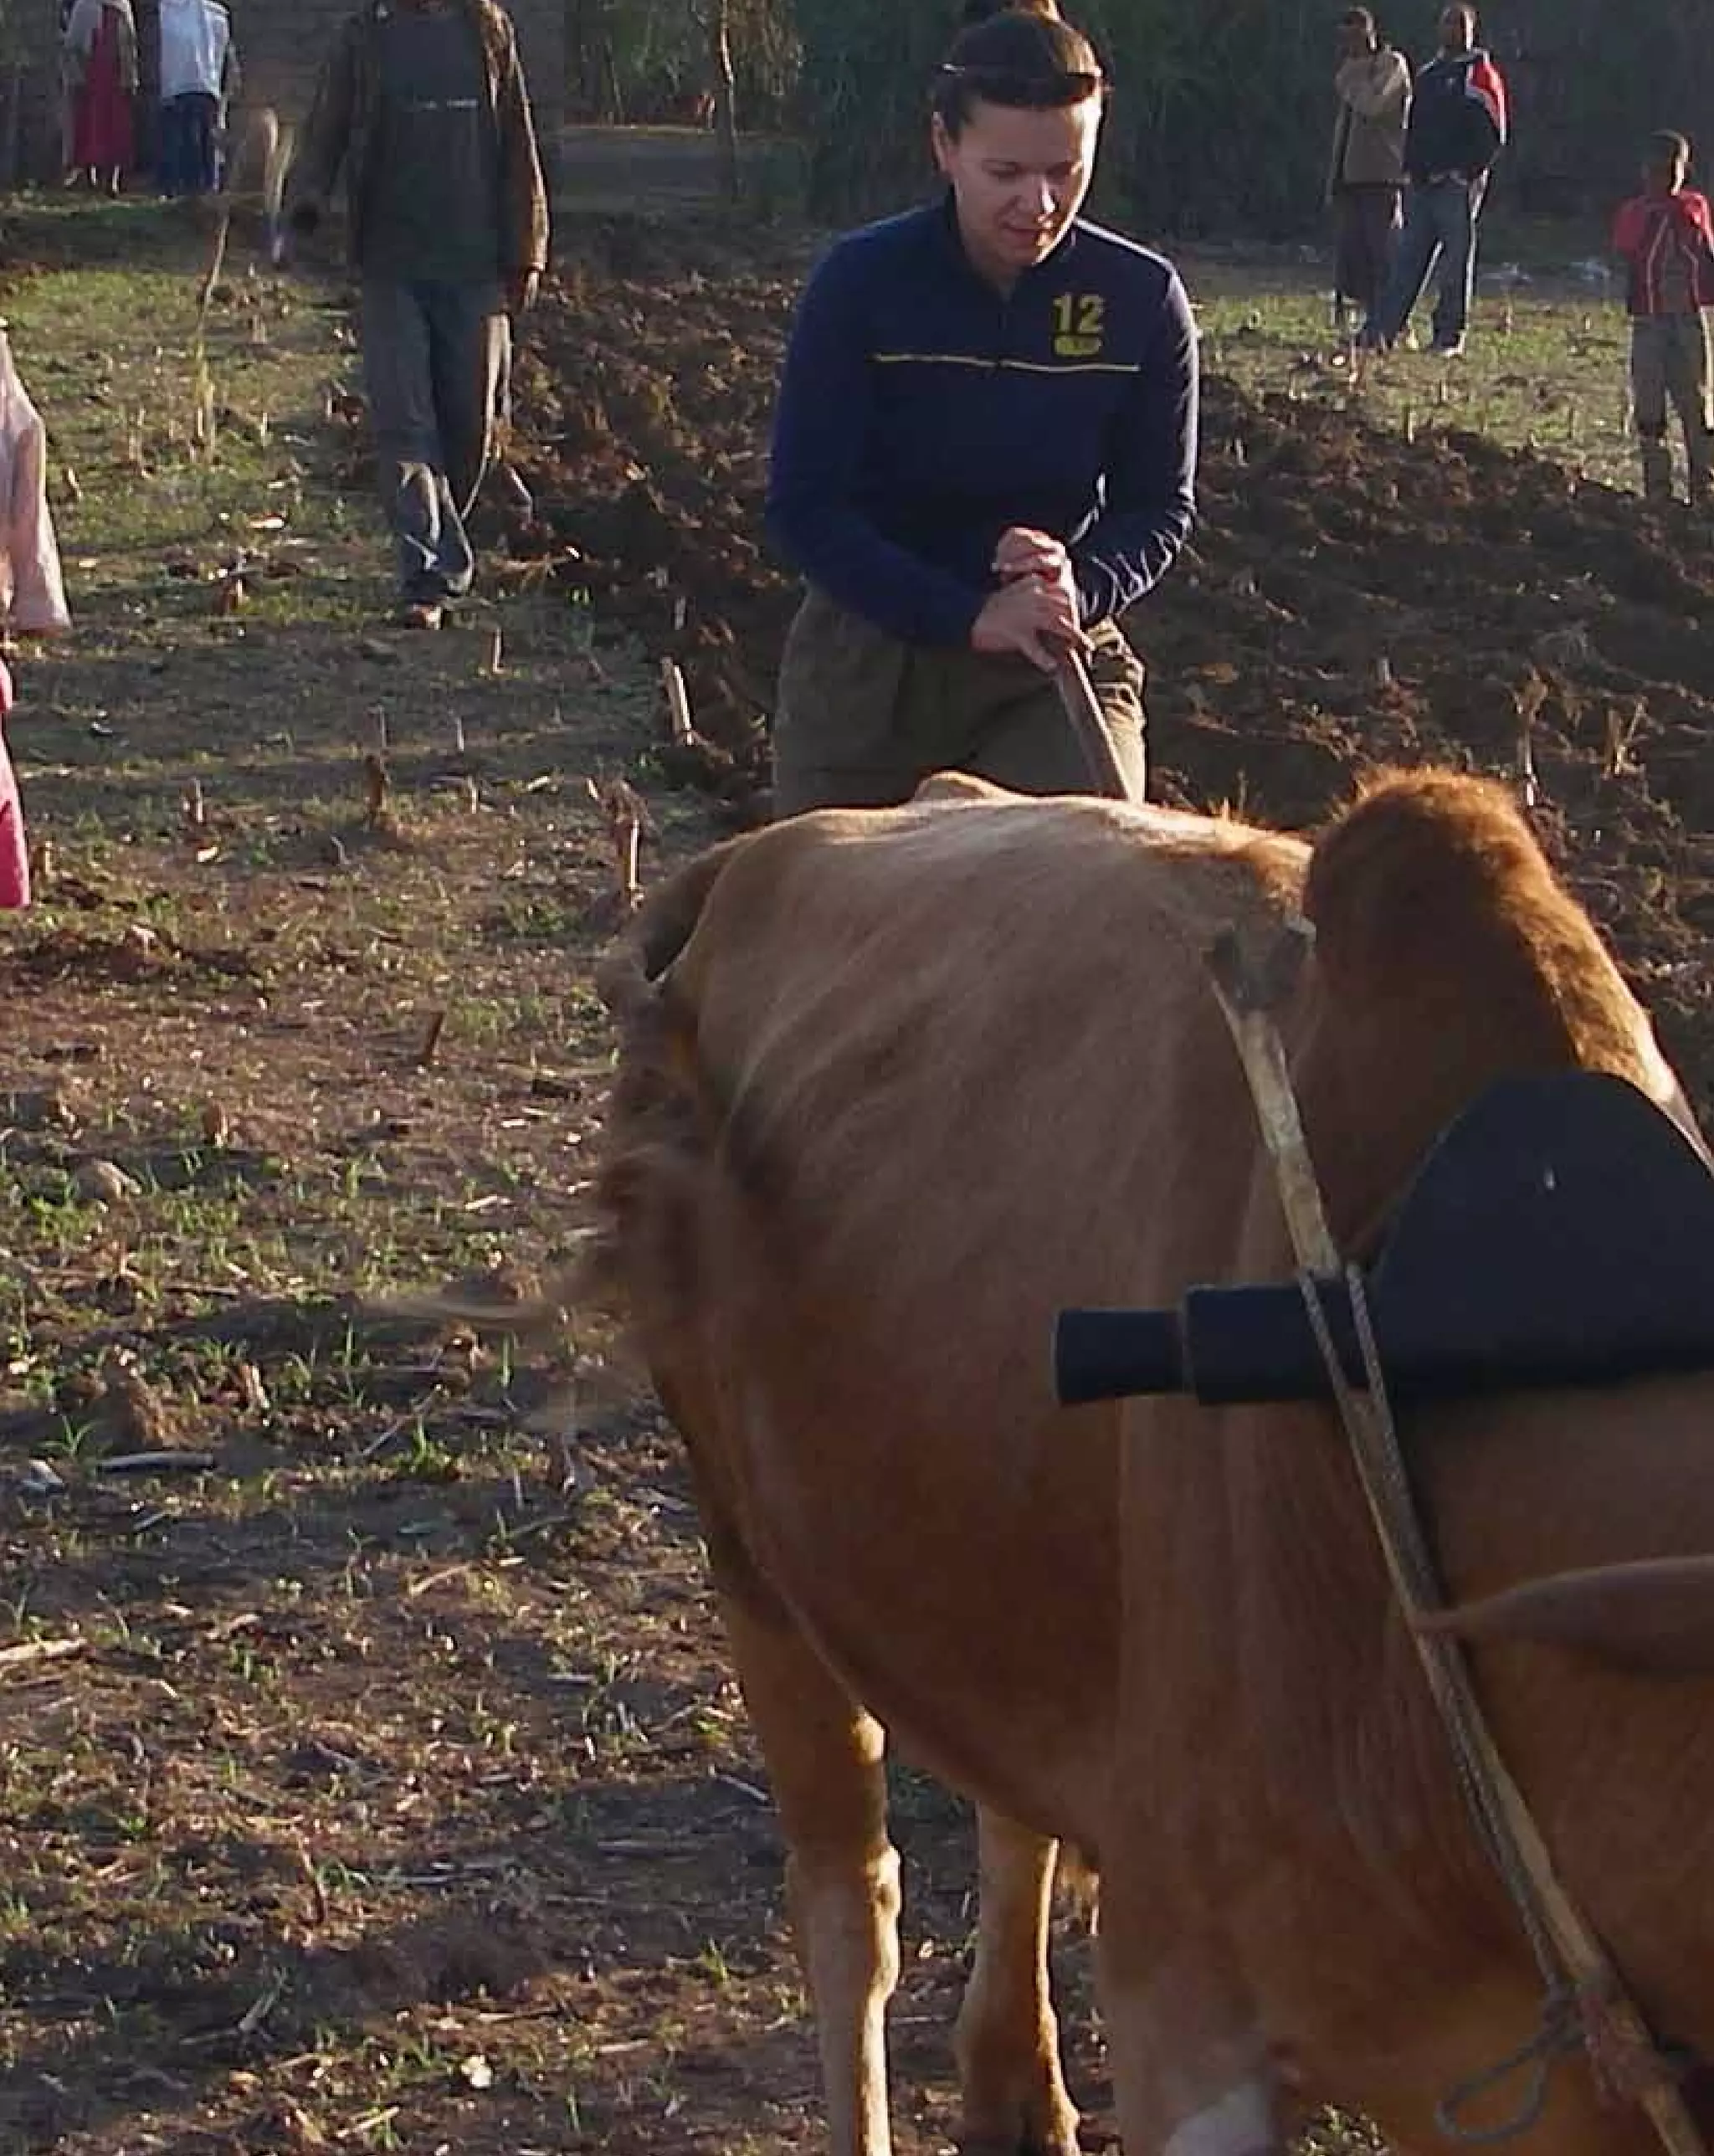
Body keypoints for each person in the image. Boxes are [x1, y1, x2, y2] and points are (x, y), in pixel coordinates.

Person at [764, 0, 1197, 813]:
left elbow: (1157, 507)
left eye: (1064, 171)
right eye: (1006, 174)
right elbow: (804, 507)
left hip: (1045, 659)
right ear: (944, 146)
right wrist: (965, 615)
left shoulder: (1140, 300)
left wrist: (1079, 583)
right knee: (846, 889)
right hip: (873, 656)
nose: (1039, 204)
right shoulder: (861, 285)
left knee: (1081, 868)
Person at [285, 0, 550, 631]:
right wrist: (306, 199)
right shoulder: (364, 38)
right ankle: (426, 573)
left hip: (475, 267)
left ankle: (441, 545)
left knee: (469, 424)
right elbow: (325, 130)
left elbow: (518, 144)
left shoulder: (487, 32)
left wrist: (528, 250)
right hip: (391, 264)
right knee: (405, 425)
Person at [1362, 3, 1506, 357]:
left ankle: (1448, 336)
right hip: (1422, 184)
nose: (1453, 30)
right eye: (1447, 23)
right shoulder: (1428, 75)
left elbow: (1493, 131)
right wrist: (1411, 169)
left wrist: (1466, 173)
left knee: (1455, 263)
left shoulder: (1479, 73)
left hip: (1457, 186)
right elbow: (1413, 126)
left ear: (1471, 31)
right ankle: (1382, 331)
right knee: (1407, 260)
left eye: (1460, 25)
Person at [1612, 131, 1714, 511]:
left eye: (1671, 171)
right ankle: (1657, 494)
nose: (1663, 179)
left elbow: (1700, 243)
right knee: (1649, 410)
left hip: (1687, 321)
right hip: (1649, 322)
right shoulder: (1634, 212)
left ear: (1684, 171)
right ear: (1644, 171)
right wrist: (1653, 211)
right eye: (1656, 171)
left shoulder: (1693, 206)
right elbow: (1626, 245)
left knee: (1697, 408)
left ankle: (1704, 491)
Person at [1327, 8, 1409, 330]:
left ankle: (1392, 321)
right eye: (1344, 37)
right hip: (1351, 176)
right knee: (1353, 258)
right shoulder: (1351, 71)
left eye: (1355, 35)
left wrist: (1352, 76)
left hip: (1382, 176)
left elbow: (1372, 106)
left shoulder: (1390, 65)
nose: (1350, 43)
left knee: (1384, 254)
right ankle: (1363, 321)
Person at [157, 0, 241, 199]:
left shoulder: (172, 13)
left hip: (187, 88)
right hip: (200, 86)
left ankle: (191, 189)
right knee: (197, 142)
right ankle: (199, 188)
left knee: (193, 141)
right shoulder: (214, 16)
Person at [63, 0, 137, 194]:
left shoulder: (123, 5)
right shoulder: (85, 5)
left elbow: (130, 44)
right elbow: (73, 42)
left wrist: (131, 76)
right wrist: (77, 73)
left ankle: (113, 180)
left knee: (117, 128)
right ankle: (90, 175)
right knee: (91, 124)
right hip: (92, 74)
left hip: (117, 76)